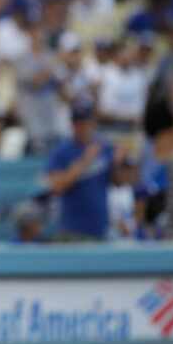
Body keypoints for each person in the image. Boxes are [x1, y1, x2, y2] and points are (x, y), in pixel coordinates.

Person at [47, 100, 116, 240]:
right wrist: (85, 161)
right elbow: (57, 187)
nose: (81, 127)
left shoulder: (104, 146)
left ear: (93, 123)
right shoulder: (62, 151)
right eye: (77, 123)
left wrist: (120, 163)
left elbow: (119, 181)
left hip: (100, 227)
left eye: (85, 122)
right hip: (72, 230)